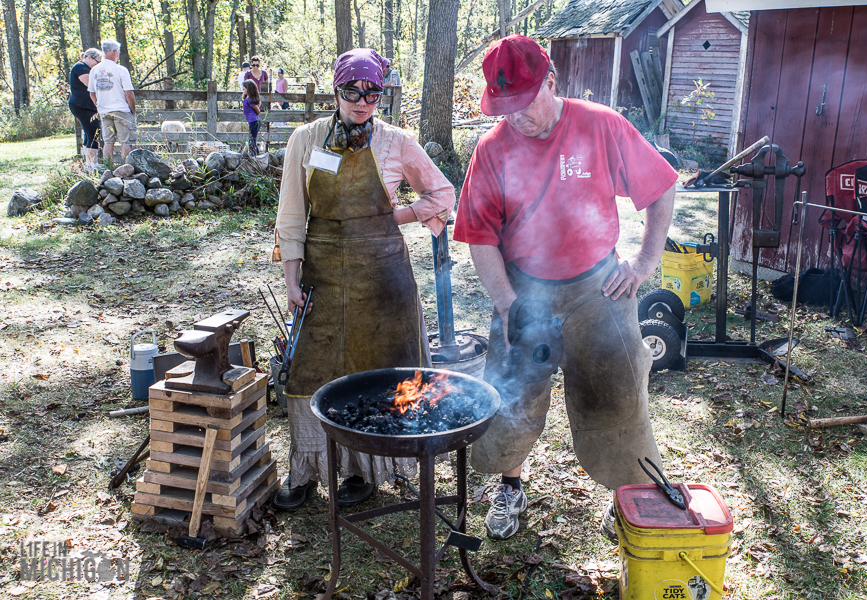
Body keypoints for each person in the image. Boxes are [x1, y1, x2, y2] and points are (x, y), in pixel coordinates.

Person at [452, 35, 678, 541]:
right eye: (503, 106)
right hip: (524, 290)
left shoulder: (601, 125)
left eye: (524, 102)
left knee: (617, 395)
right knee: (513, 398)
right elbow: (480, 238)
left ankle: (628, 495)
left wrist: (643, 262)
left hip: (599, 288)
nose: (514, 117)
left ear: (551, 82)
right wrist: (510, 306)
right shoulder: (491, 150)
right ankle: (510, 485)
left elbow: (661, 188)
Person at [272, 48, 455, 511]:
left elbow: (442, 193)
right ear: (336, 91)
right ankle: (308, 469)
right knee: (312, 371)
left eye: (372, 93)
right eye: (352, 92)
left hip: (383, 279)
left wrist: (402, 214)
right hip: (322, 274)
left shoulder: (396, 141)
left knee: (375, 372)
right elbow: (292, 217)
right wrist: (292, 282)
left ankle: (365, 471)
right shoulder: (306, 139)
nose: (362, 101)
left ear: (381, 96)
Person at [88, 39, 137, 162]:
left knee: (108, 142)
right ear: (114, 52)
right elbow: (129, 93)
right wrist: (132, 110)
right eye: (118, 52)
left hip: (105, 111)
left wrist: (99, 106)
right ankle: (126, 168)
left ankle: (107, 168)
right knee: (126, 141)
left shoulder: (94, 70)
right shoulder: (120, 70)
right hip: (121, 110)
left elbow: (92, 93)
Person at [68, 48, 103, 171]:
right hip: (82, 106)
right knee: (94, 133)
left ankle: (89, 163)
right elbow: (91, 84)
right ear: (89, 57)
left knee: (89, 135)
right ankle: (93, 164)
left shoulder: (86, 68)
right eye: (97, 61)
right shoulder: (81, 67)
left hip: (86, 106)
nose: (98, 64)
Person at [242, 80, 261, 156]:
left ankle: (254, 155)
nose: (243, 90)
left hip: (254, 121)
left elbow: (257, 110)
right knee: (252, 139)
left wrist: (254, 116)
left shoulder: (250, 100)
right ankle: (256, 154)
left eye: (244, 89)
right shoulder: (247, 99)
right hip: (252, 121)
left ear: (248, 89)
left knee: (252, 140)